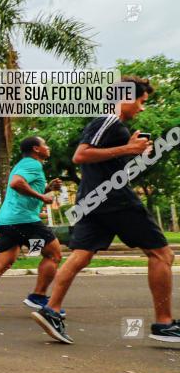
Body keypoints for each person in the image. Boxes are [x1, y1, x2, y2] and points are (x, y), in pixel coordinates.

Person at [32, 76, 178, 343]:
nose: (142, 108)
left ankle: (51, 310)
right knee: (161, 254)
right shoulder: (108, 120)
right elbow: (81, 155)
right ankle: (164, 324)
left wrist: (132, 151)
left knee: (80, 256)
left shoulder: (114, 127)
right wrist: (127, 147)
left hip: (93, 200)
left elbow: (104, 160)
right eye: (141, 102)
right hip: (113, 199)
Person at [0, 136, 64, 317]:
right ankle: (38, 296)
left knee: (4, 263)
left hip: (7, 221)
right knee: (54, 254)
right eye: (45, 145)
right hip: (23, 220)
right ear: (36, 149)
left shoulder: (24, 165)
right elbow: (16, 183)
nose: (47, 147)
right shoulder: (32, 164)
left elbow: (24, 190)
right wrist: (43, 198)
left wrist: (47, 188)